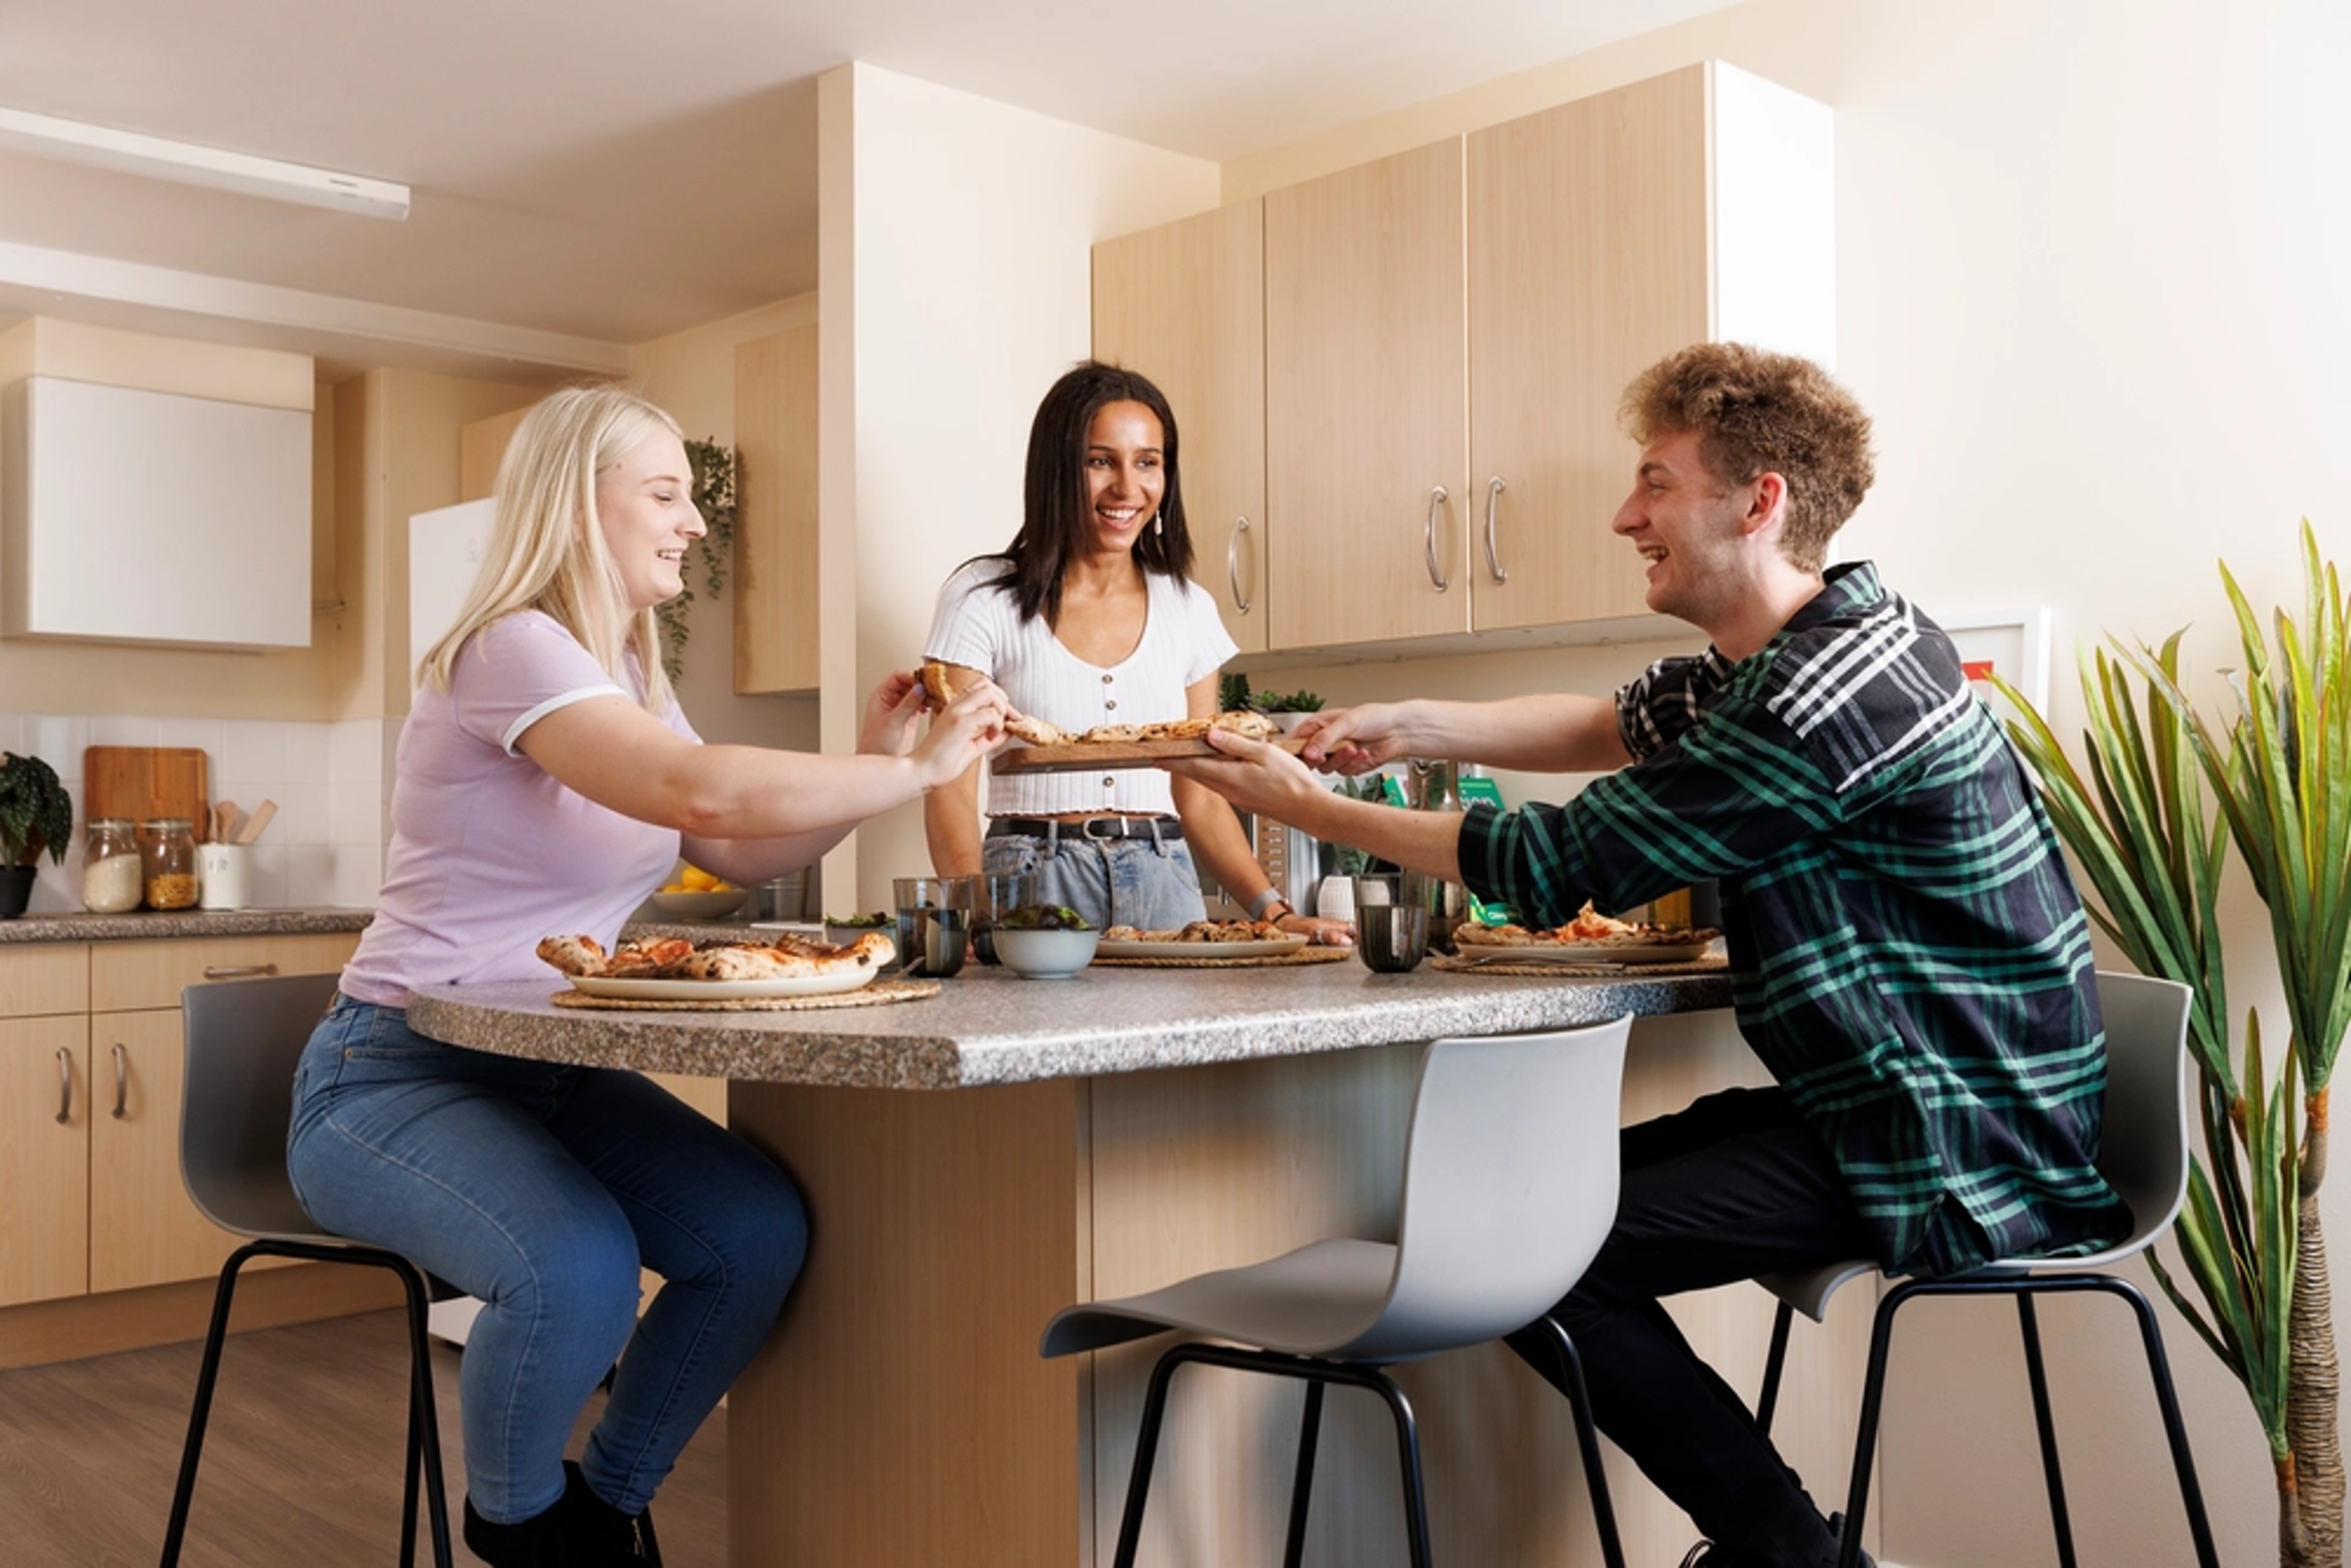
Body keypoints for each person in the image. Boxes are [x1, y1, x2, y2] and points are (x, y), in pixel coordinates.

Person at [1165, 342, 2132, 1568]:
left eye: (1656, 483)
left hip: (1950, 1140)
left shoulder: (1814, 699)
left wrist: (1306, 806)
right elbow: (1612, 723)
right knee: (1521, 1208)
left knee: (1528, 1250)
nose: (1628, 515)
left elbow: (1554, 859)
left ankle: (1793, 1554)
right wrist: (1402, 722)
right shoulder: (1812, 646)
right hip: (1899, 1099)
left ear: (1760, 498)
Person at [286, 386, 1008, 1567]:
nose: (695, 523)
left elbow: (728, 844)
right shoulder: (509, 643)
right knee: (578, 1270)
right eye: (665, 495)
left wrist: (879, 761)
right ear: (581, 506)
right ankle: (519, 1527)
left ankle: (604, 1512)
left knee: (755, 1233)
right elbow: (699, 791)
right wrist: (912, 772)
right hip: (392, 1077)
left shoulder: (624, 661)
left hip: (551, 1072)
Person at [921, 359, 1349, 940]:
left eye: (1148, 462)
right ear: (1057, 469)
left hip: (1164, 875)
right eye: (1100, 461)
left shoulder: (1188, 606)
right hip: (1030, 875)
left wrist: (1274, 911)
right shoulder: (982, 598)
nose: (1128, 488)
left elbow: (1198, 793)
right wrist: (972, 914)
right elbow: (949, 782)